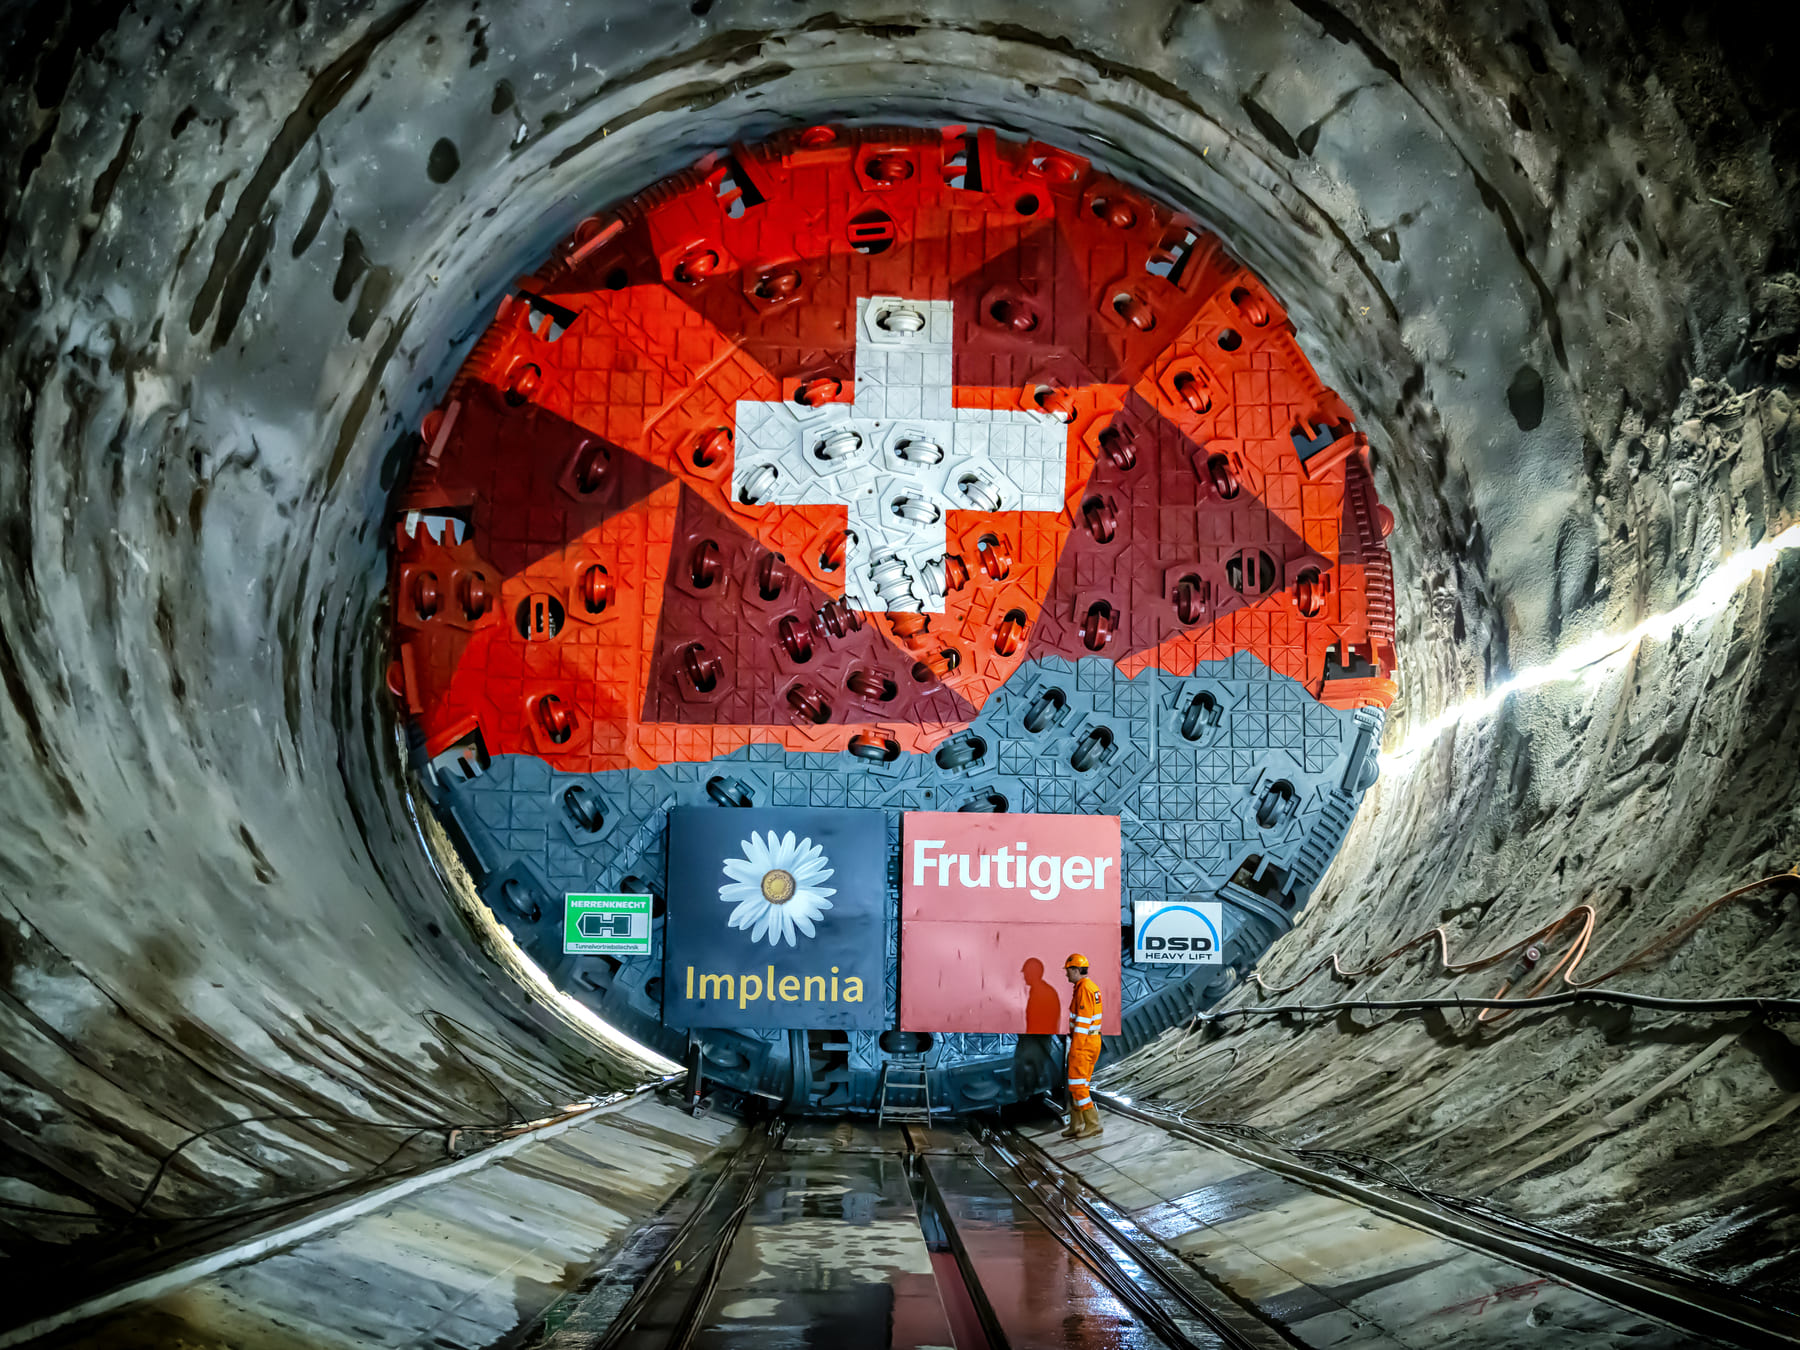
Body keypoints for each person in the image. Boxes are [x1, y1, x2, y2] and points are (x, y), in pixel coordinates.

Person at [1059, 954, 1105, 1140]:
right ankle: (1076, 1124)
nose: (1066, 974)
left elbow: (1083, 1023)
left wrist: (1075, 1049)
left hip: (1083, 1044)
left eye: (1068, 970)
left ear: (1076, 970)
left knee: (1078, 1086)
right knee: (1078, 1085)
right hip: (1090, 1042)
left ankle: (1092, 1124)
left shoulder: (1084, 989)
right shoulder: (1087, 987)